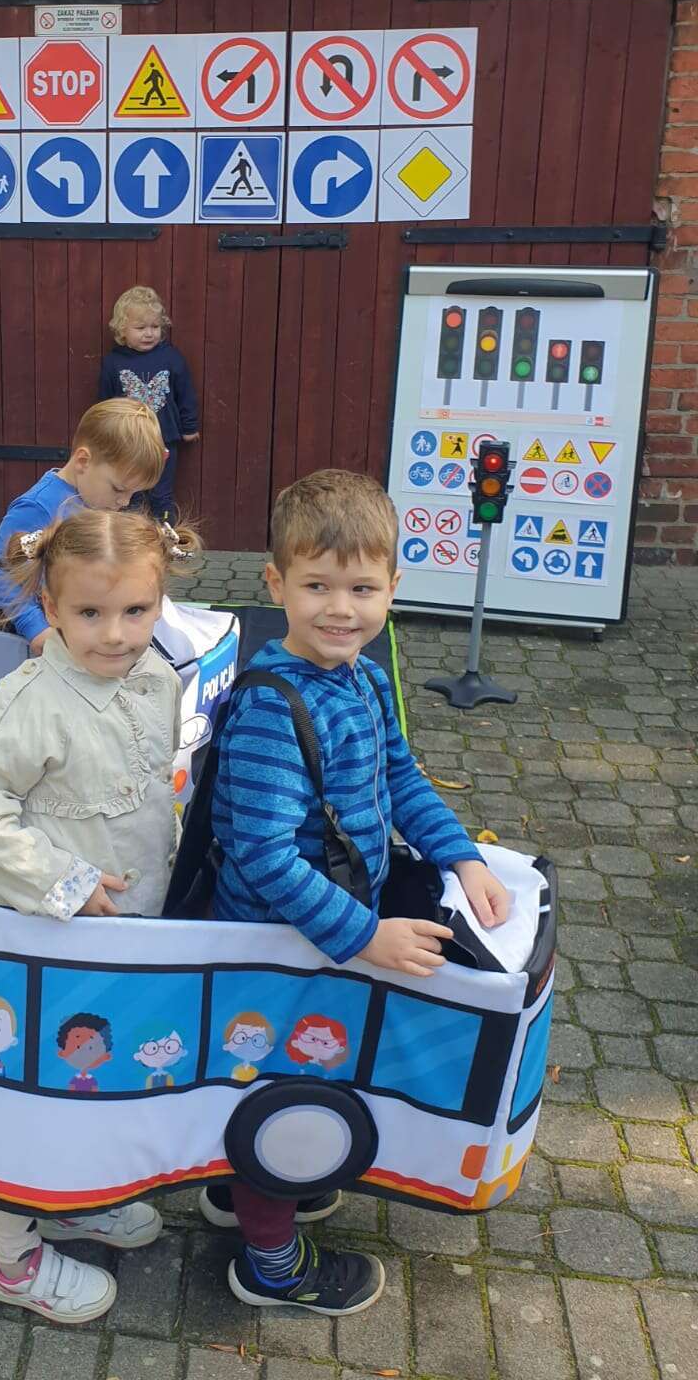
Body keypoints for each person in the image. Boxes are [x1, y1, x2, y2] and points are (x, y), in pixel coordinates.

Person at [204, 469, 511, 1317]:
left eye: (363, 589)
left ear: (392, 588)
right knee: (282, 1100)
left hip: (323, 931)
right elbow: (265, 857)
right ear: (276, 584)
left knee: (289, 1085)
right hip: (276, 945)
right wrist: (364, 936)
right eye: (317, 587)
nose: (341, 610)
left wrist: (463, 858)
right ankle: (270, 1265)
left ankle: (239, 1190)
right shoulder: (274, 709)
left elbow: (398, 776)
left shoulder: (366, 678)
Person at [0, 508, 201, 1324]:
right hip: (43, 939)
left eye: (136, 610)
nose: (115, 633)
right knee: (32, 1096)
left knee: (94, 1073)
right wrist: (62, 881)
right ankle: (11, 1255)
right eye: (91, 612)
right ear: (50, 607)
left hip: (124, 931)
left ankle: (70, 1199)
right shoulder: (32, 700)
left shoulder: (158, 677)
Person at [0, 398, 166, 653]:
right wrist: (34, 627)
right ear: (83, 461)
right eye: (118, 489)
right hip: (46, 634)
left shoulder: (95, 498)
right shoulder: (39, 506)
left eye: (133, 494)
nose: (124, 502)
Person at [98, 286, 199, 522]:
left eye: (155, 327)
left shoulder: (171, 357)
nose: (149, 334)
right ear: (122, 329)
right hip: (127, 440)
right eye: (141, 328)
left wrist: (189, 426)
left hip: (162, 439)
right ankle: (131, 535)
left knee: (161, 495)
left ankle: (165, 537)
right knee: (129, 494)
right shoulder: (113, 362)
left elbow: (185, 393)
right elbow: (105, 402)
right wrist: (105, 434)